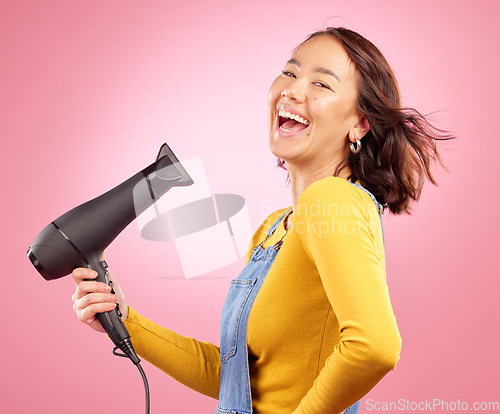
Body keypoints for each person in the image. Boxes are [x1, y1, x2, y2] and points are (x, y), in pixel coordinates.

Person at [72, 27, 449, 414]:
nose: (293, 90)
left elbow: (375, 347)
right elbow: (234, 378)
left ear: (360, 124)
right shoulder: (275, 228)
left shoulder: (330, 200)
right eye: (289, 72)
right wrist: (125, 321)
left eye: (321, 83)